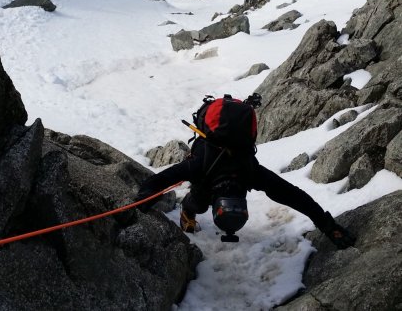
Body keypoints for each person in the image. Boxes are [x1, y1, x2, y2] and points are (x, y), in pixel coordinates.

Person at [135, 94, 355, 248]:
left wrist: (140, 201)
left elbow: (161, 180)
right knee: (199, 203)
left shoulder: (246, 169)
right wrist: (327, 225)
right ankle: (187, 211)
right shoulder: (219, 167)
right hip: (208, 168)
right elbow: (293, 195)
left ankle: (192, 210)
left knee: (202, 197)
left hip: (212, 170)